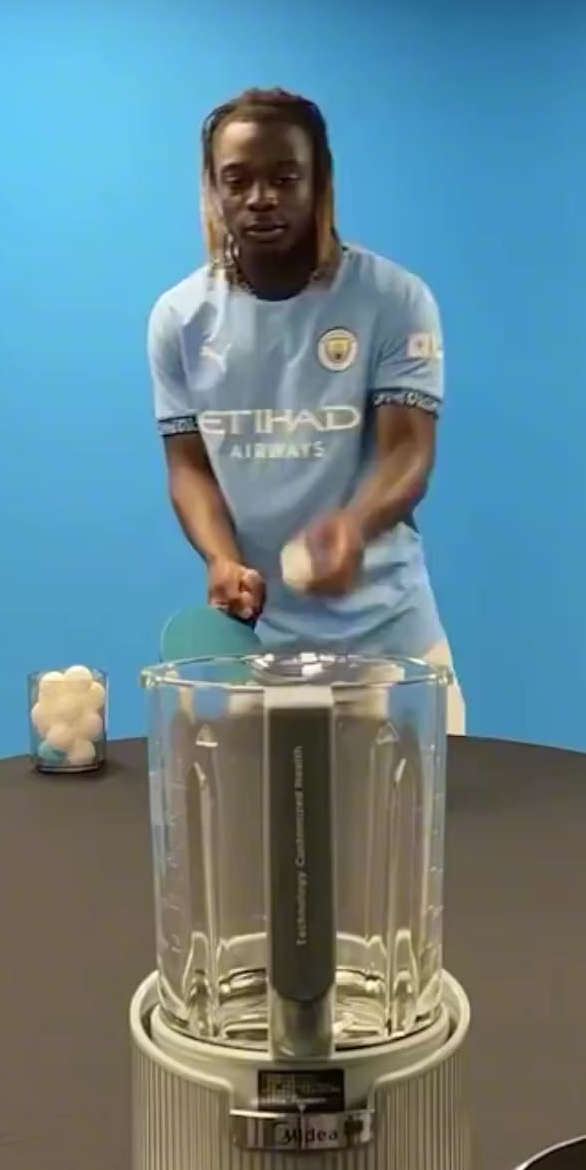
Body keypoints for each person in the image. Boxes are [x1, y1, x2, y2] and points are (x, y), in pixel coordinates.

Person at [147, 87, 465, 732]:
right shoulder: (179, 318)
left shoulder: (394, 300)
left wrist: (352, 526)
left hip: (391, 646)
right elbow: (189, 468)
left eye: (284, 178)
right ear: (213, 188)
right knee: (255, 802)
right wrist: (221, 558)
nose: (260, 197)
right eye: (238, 180)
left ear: (320, 183)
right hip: (258, 655)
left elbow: (408, 450)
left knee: (425, 802)